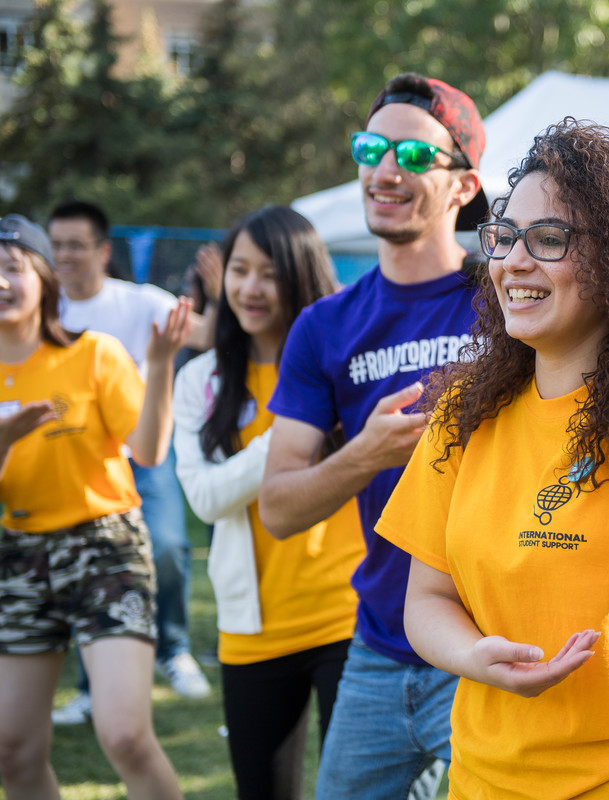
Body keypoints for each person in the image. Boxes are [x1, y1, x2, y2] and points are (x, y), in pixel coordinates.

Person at [377, 118, 609, 799]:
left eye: (548, 240)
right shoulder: (463, 414)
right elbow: (426, 597)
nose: (514, 262)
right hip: (483, 780)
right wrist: (475, 657)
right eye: (504, 238)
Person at [258, 72, 487, 800]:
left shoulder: (510, 302)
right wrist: (365, 453)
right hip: (380, 649)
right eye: (372, 148)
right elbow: (280, 507)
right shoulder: (324, 327)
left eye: (415, 157)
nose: (386, 170)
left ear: (462, 185)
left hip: (490, 645)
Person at [173, 206, 365, 799]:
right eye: (238, 270)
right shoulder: (201, 380)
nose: (249, 289)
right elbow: (204, 498)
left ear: (301, 276)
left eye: (269, 273)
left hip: (352, 618)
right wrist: (292, 431)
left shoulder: (347, 367)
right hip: (254, 628)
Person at [0, 214, 189, 799]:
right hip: (18, 557)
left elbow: (151, 450)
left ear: (42, 277)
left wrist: (158, 366)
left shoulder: (96, 354)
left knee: (126, 735)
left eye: (10, 268)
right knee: (11, 750)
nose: (0, 283)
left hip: (104, 547)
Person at [48, 200, 212, 728]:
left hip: (144, 451)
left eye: (75, 245)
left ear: (101, 251)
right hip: (80, 461)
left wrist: (219, 294)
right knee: (82, 566)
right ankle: (91, 685)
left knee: (165, 545)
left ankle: (173, 648)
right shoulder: (47, 313)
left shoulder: (139, 302)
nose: (64, 256)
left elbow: (208, 335)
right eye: (56, 246)